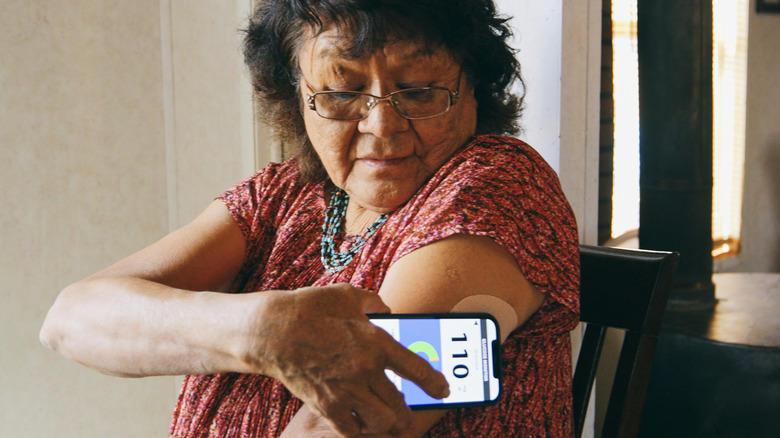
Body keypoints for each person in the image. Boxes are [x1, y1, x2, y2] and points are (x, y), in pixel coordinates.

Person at [40, 0, 580, 436]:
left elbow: (354, 418)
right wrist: (262, 331)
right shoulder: (285, 195)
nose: (382, 126)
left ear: (474, 88)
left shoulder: (494, 189)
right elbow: (71, 320)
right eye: (343, 93)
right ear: (293, 98)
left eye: (419, 91)